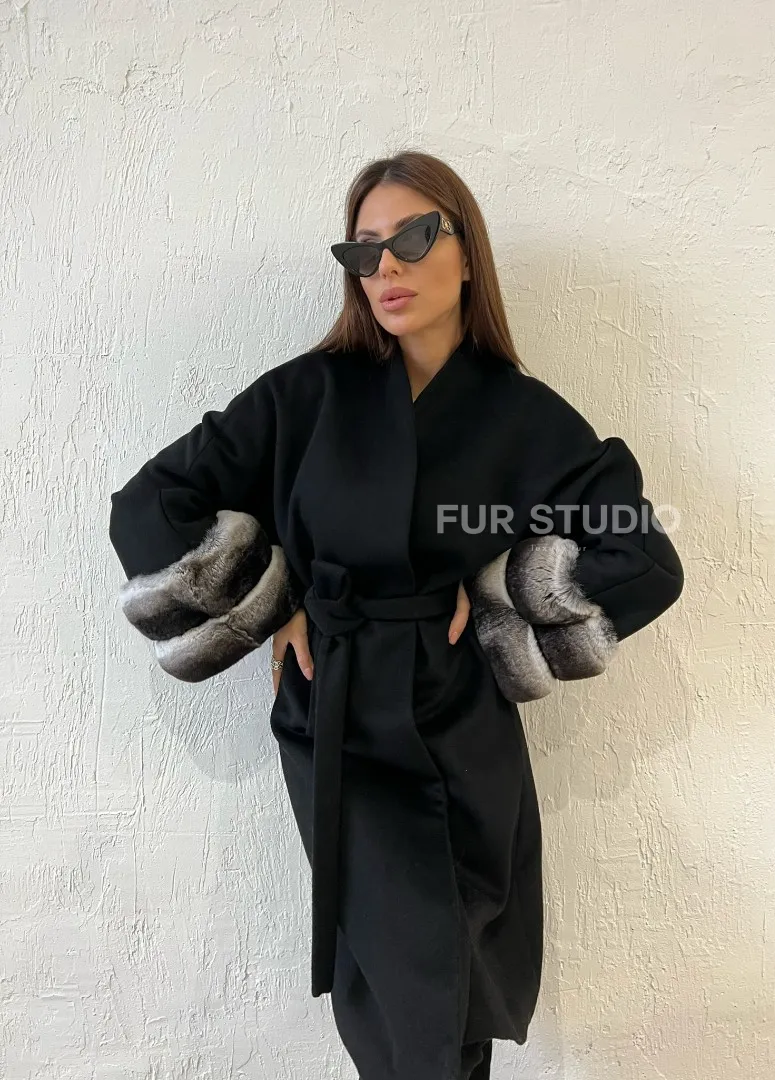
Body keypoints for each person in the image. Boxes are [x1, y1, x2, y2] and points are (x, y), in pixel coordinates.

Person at [108, 150, 685, 1080]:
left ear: (466, 252)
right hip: (337, 712)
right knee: (395, 978)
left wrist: (498, 605)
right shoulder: (305, 395)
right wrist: (272, 602)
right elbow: (152, 503)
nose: (386, 267)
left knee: (463, 965)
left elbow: (642, 556)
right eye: (363, 248)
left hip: (461, 716)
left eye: (414, 237)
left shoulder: (524, 416)